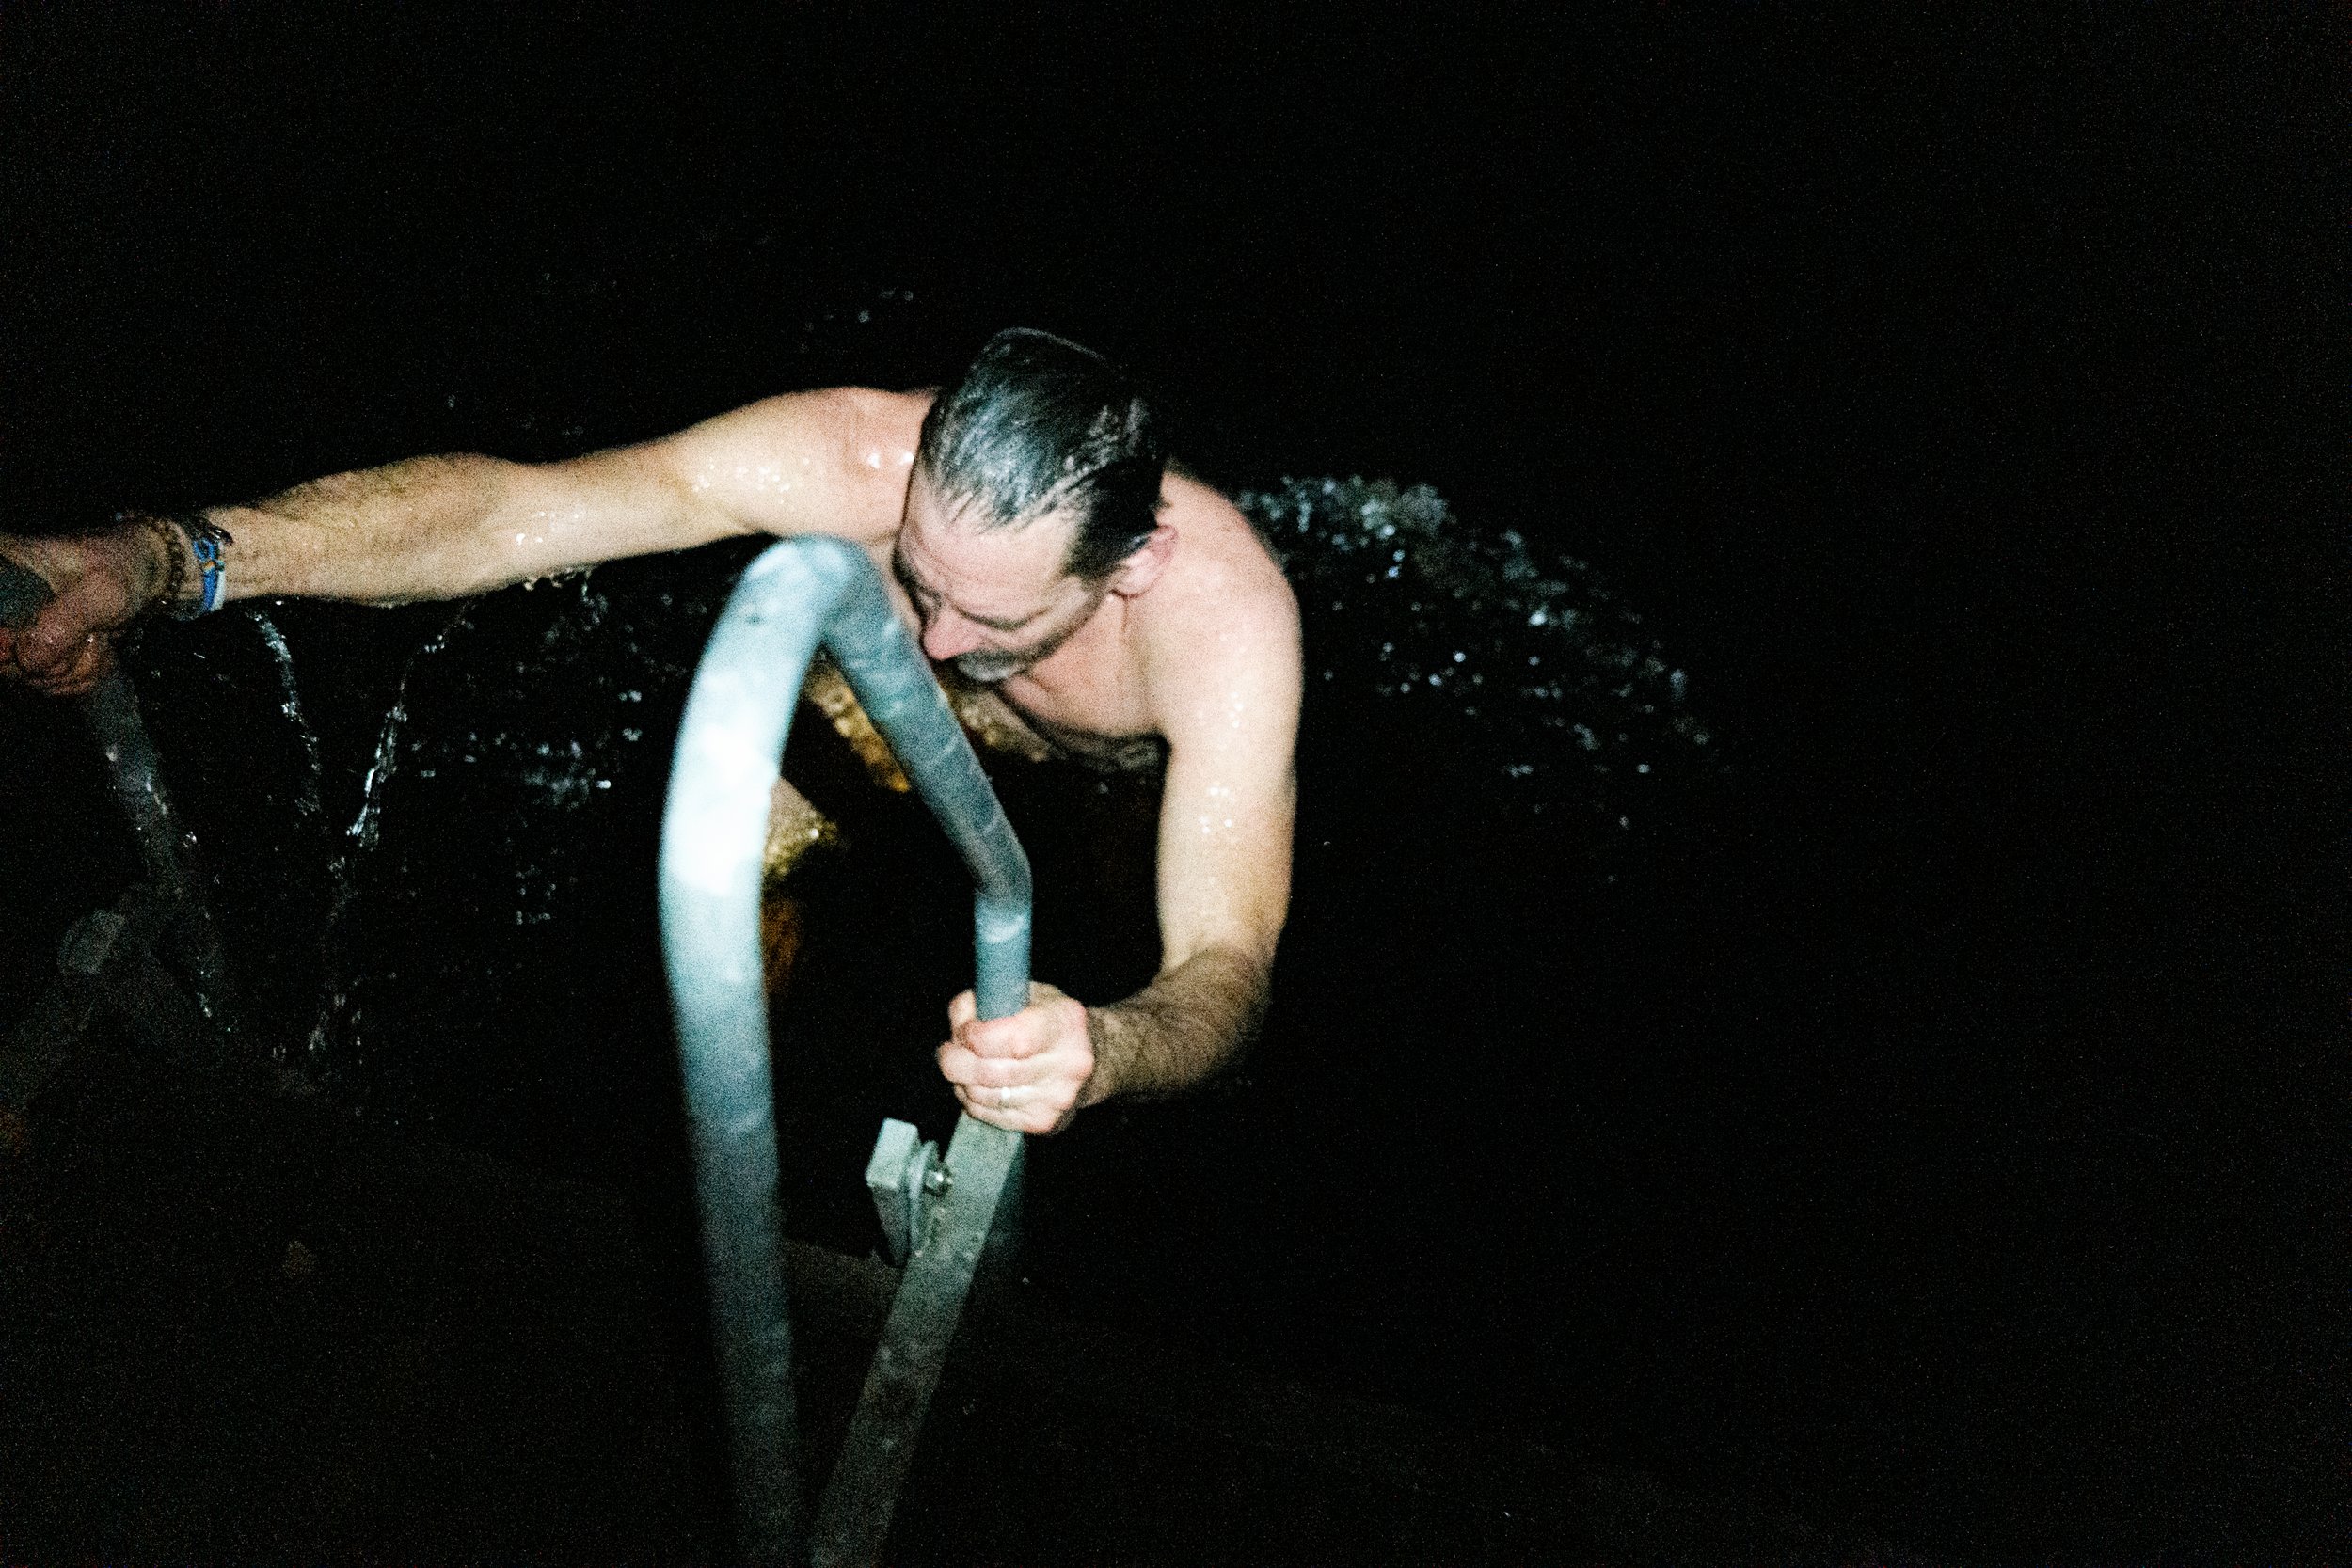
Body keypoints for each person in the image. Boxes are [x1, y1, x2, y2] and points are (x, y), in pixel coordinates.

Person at [0, 328, 1301, 1136]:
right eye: (922, 575)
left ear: (1131, 565)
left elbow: (1229, 963)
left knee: (1144, 985)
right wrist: (163, 561)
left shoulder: (1224, 633)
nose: (946, 636)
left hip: (1115, 767)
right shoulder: (855, 458)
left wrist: (1117, 1049)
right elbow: (509, 518)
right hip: (873, 703)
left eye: (997, 611)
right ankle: (755, 1148)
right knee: (729, 901)